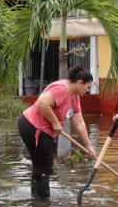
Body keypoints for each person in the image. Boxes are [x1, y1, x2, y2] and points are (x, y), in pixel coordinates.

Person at [18, 66, 97, 199]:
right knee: (44, 164)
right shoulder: (62, 89)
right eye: (87, 87)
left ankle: (38, 201)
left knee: (42, 164)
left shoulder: (75, 98)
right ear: (80, 83)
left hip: (43, 130)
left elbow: (79, 123)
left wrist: (88, 146)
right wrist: (55, 122)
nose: (88, 91)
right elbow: (42, 103)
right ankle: (42, 203)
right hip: (32, 126)